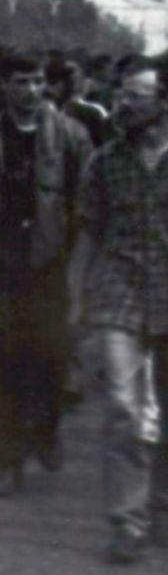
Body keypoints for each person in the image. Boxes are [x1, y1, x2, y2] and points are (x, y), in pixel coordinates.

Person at [0, 48, 90, 499]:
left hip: (52, 268)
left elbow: (85, 207)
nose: (31, 91)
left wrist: (80, 271)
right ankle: (7, 462)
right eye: (20, 82)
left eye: (37, 81)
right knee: (0, 366)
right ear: (2, 86)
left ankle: (47, 429)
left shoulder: (72, 137)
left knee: (51, 362)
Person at [77, 55, 168, 565]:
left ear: (164, 101)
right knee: (123, 409)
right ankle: (127, 521)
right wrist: (75, 296)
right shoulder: (105, 161)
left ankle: (162, 502)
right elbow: (88, 230)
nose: (124, 104)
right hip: (120, 292)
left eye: (136, 95)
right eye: (122, 94)